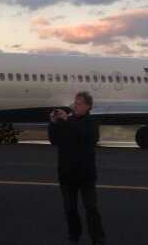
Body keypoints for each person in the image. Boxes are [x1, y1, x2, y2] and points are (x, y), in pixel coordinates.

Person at [48, 92, 106, 244]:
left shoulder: (91, 122)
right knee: (70, 208)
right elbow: (54, 140)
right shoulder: (67, 121)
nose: (76, 106)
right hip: (67, 173)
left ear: (88, 106)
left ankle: (97, 237)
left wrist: (67, 120)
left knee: (91, 207)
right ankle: (74, 235)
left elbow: (87, 136)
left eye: (79, 103)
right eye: (75, 103)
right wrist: (53, 123)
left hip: (86, 174)